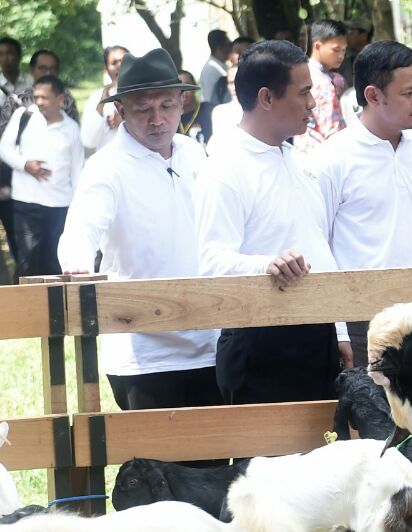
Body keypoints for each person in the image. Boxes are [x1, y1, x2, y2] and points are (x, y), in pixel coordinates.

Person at [57, 48, 220, 412]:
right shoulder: (106, 167)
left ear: (182, 102)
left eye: (166, 105)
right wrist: (77, 266)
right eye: (143, 109)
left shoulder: (195, 153)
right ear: (121, 109)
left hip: (210, 339)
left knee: (216, 448)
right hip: (144, 352)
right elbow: (81, 230)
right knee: (155, 449)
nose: (157, 119)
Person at [195, 39, 349, 405]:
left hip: (317, 334)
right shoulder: (224, 169)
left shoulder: (299, 161)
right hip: (260, 340)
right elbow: (211, 262)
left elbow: (318, 247)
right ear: (266, 98)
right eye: (304, 92)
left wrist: (339, 329)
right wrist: (266, 265)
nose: (312, 103)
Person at [311, 41, 412, 368]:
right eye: (408, 92)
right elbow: (318, 245)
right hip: (363, 322)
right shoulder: (331, 158)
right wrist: (338, 329)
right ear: (372, 95)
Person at [0, 75, 81, 277]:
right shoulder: (24, 116)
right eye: (37, 97)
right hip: (26, 203)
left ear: (60, 99)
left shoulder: (71, 128)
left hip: (60, 205)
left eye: (45, 97)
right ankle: (25, 299)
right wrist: (25, 165)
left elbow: (77, 170)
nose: (39, 102)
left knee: (56, 263)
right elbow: (4, 149)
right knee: (27, 263)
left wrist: (77, 206)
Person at [295, 19, 347, 155]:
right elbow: (332, 129)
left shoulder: (299, 73)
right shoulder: (323, 82)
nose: (341, 55)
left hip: (302, 150)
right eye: (336, 50)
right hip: (324, 152)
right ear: (318, 46)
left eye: (344, 50)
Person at [81, 45, 129, 153]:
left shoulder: (144, 93)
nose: (119, 66)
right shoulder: (96, 98)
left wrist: (126, 120)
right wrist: (102, 103)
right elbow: (89, 141)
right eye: (114, 63)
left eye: (124, 61)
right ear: (106, 69)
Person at [207, 64, 241, 155]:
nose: (234, 86)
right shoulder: (220, 112)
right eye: (230, 83)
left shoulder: (260, 110)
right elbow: (214, 148)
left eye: (238, 81)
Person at [176, 69, 214, 146]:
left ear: (195, 87)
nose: (183, 91)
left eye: (187, 85)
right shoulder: (169, 116)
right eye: (179, 87)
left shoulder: (210, 110)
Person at [200, 30, 233, 106]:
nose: (231, 48)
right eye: (228, 44)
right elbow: (211, 100)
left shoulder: (220, 65)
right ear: (220, 47)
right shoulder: (210, 71)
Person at [338, 17, 372, 88]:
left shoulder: (377, 61)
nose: (347, 36)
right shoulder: (345, 61)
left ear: (363, 36)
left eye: (351, 33)